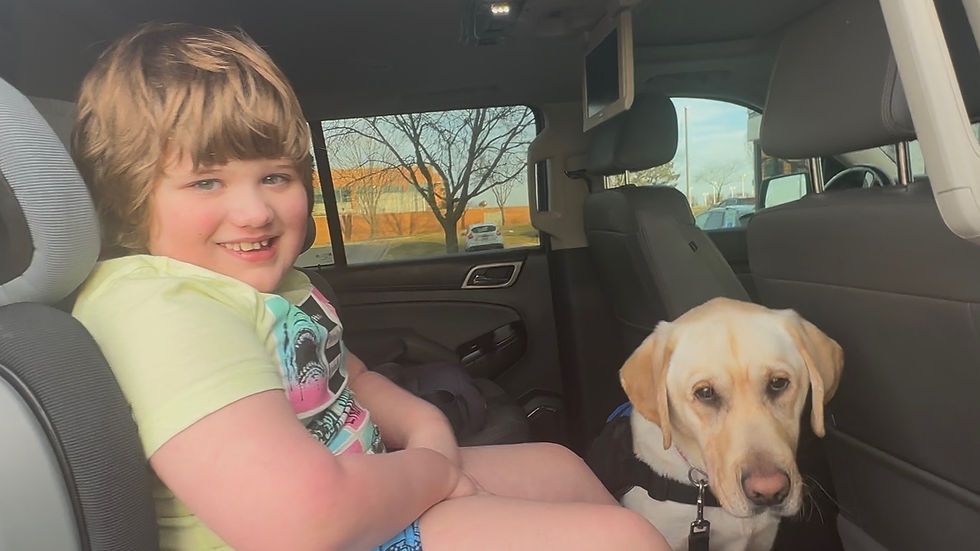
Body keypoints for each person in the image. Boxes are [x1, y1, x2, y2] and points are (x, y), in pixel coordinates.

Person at [70, 22, 670, 551]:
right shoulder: (163, 308)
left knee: (559, 466)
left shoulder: (276, 288)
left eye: (275, 175)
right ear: (128, 198)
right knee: (628, 540)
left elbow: (351, 378)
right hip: (320, 534)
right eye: (206, 183)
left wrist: (427, 433)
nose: (254, 211)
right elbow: (301, 521)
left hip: (363, 496)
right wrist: (433, 475)